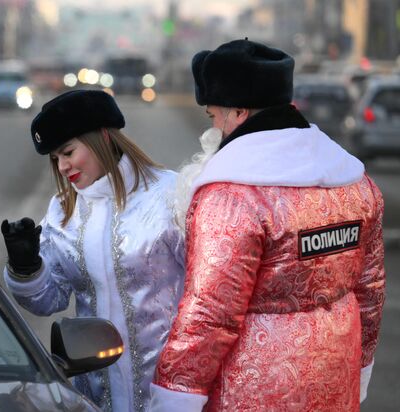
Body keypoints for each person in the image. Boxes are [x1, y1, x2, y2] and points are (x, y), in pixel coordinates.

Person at [149, 39, 385, 412]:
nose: (213, 128)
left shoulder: (232, 195)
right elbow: (370, 292)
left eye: (214, 116)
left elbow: (210, 314)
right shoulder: (355, 182)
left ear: (239, 112)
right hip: (335, 378)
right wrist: (361, 366)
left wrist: (173, 393)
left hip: (253, 390)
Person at [1, 89, 185, 411]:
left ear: (102, 136)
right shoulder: (62, 212)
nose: (62, 166)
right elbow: (49, 299)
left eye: (68, 151)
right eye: (55, 158)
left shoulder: (170, 194)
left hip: (169, 391)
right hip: (95, 396)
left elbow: (210, 292)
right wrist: (27, 267)